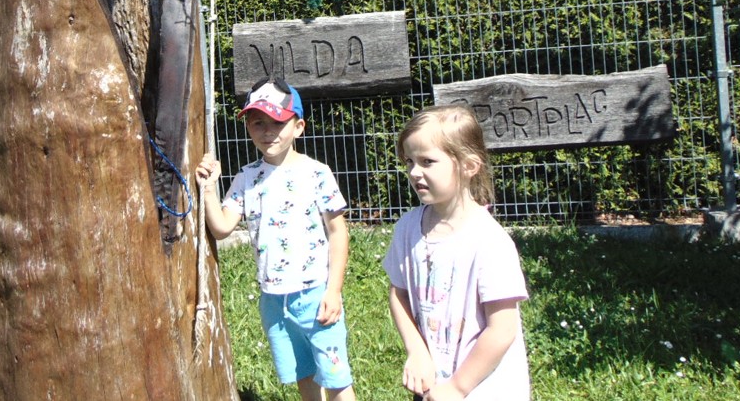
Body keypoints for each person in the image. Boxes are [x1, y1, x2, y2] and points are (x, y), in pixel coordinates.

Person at [197, 78, 357, 401]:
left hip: (315, 295)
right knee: (303, 374)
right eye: (258, 123)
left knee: (335, 376)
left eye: (277, 122)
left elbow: (338, 231)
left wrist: (334, 290)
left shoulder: (316, 173)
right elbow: (222, 227)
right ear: (248, 127)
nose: (268, 131)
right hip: (273, 300)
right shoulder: (246, 178)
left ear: (298, 127)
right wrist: (209, 188)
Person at [382, 105, 530, 400]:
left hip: (483, 390)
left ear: (468, 166)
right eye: (409, 161)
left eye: (427, 161)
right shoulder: (407, 228)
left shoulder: (489, 241)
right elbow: (398, 294)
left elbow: (502, 330)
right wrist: (417, 351)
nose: (414, 172)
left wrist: (458, 387)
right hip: (434, 386)